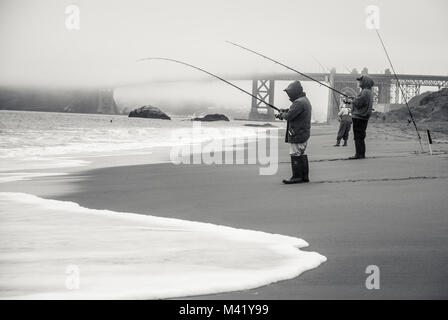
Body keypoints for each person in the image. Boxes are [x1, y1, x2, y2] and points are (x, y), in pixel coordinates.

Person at [276, 80, 312, 184]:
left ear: (295, 92)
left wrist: (282, 114)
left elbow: (289, 116)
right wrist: (285, 110)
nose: (289, 95)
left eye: (290, 93)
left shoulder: (299, 102)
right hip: (303, 132)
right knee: (300, 153)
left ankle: (297, 177)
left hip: (298, 133)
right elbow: (294, 112)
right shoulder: (304, 100)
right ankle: (304, 176)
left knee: (295, 154)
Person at [347, 75, 374, 159]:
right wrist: (355, 99)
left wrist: (352, 100)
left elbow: (359, 103)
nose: (359, 82)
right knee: (361, 136)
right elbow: (361, 101)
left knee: (358, 136)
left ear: (365, 82)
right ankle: (361, 154)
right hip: (364, 117)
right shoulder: (369, 92)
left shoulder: (365, 92)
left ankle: (359, 154)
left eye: (360, 81)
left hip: (359, 117)